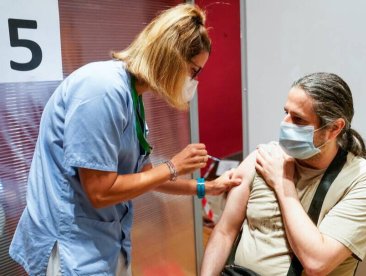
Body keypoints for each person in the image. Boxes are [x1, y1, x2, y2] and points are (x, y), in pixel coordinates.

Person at [9, 4, 241, 275]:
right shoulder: (101, 90)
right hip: (71, 248)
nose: (193, 81)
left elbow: (143, 176)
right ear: (170, 59)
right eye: (193, 70)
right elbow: (100, 191)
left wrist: (205, 187)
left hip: (104, 243)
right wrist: (175, 165)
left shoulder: (132, 97)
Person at [201, 72, 366, 276]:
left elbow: (317, 263)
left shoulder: (365, 182)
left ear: (334, 128)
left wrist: (283, 185)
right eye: (286, 112)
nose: (285, 124)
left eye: (298, 119)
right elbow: (224, 231)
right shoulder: (264, 158)